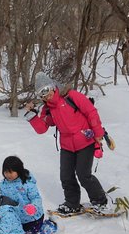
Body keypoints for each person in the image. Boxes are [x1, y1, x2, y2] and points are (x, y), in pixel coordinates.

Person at [25, 73, 108, 215]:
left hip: (85, 140)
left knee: (84, 175)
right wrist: (32, 115)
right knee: (66, 176)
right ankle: (72, 203)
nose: (45, 96)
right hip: (67, 145)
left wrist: (98, 133)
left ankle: (100, 201)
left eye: (46, 90)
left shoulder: (71, 96)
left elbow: (91, 112)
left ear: (52, 87)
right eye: (41, 94)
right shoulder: (47, 109)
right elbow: (42, 128)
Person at [0, 155, 46, 234]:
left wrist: (33, 207)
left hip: (33, 219)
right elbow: (0, 200)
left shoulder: (27, 183)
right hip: (17, 220)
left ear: (18, 171)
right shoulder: (2, 185)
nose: (8, 175)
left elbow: (36, 198)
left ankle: (45, 228)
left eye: (11, 172)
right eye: (6, 172)